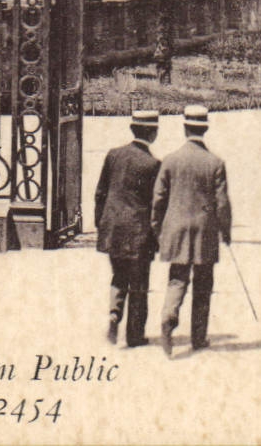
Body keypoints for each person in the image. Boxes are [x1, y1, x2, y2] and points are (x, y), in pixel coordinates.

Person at [151, 104, 232, 357]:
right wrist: (225, 231)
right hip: (204, 230)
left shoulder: (170, 160)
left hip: (176, 229)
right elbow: (222, 203)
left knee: (177, 278)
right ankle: (198, 337)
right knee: (204, 282)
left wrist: (157, 229)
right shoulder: (215, 162)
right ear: (204, 129)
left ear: (185, 128)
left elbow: (158, 199)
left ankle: (168, 315)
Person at [93, 108, 161, 348]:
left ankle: (114, 313)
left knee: (118, 275)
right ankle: (135, 335)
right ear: (153, 133)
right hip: (138, 232)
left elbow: (100, 192)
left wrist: (100, 223)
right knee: (139, 283)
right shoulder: (153, 164)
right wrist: (157, 237)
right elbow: (155, 205)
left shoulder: (114, 155)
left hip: (112, 228)